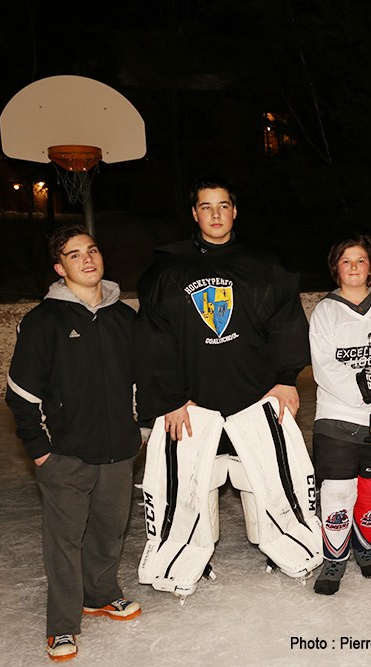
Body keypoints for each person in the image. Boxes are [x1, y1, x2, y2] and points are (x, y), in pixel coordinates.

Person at [135, 177, 314, 590]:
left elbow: (286, 323)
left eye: (223, 205)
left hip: (255, 398)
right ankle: (194, 557)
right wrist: (171, 400)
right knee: (199, 482)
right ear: (194, 213)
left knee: (262, 478)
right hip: (195, 403)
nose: (215, 214)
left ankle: (278, 546)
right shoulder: (168, 270)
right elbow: (154, 341)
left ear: (235, 211)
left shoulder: (265, 263)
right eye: (205, 206)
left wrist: (287, 379)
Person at [5, 224, 143, 662]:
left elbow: (142, 382)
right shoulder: (43, 321)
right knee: (64, 542)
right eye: (74, 254)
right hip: (64, 454)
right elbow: (21, 393)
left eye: (92, 250)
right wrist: (40, 450)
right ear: (59, 267)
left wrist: (136, 431)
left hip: (119, 450)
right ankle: (62, 624)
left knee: (109, 530)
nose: (87, 259)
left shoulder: (126, 318)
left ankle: (100, 594)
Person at [308, 235, 371, 595]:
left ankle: (364, 549)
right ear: (336, 267)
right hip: (336, 416)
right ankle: (333, 558)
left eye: (361, 260)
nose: (354, 267)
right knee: (336, 491)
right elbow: (324, 367)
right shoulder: (325, 310)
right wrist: (363, 393)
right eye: (346, 260)